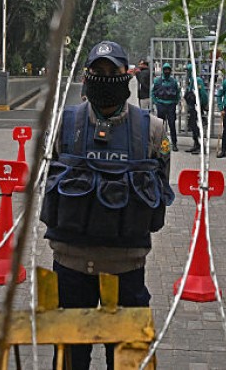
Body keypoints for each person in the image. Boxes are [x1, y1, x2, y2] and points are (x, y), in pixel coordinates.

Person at [41, 40, 173, 370]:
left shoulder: (153, 129)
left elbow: (160, 189)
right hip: (71, 264)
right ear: (86, 76)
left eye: (112, 71)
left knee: (127, 358)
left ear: (126, 75)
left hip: (126, 266)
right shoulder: (63, 125)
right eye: (97, 71)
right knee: (71, 359)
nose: (104, 77)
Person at [151, 63, 181, 149]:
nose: (167, 71)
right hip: (161, 105)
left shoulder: (174, 81)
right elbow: (152, 92)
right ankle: (161, 144)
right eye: (165, 70)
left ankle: (174, 144)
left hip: (171, 105)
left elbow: (178, 92)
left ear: (170, 71)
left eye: (168, 70)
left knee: (172, 125)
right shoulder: (157, 81)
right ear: (163, 71)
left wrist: (175, 102)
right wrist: (156, 102)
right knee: (161, 126)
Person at [183, 67, 209, 154]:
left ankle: (200, 147)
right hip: (192, 107)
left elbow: (203, 94)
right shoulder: (191, 80)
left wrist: (203, 105)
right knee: (193, 127)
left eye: (188, 71)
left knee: (198, 127)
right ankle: (196, 144)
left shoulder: (197, 80)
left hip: (197, 107)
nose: (187, 73)